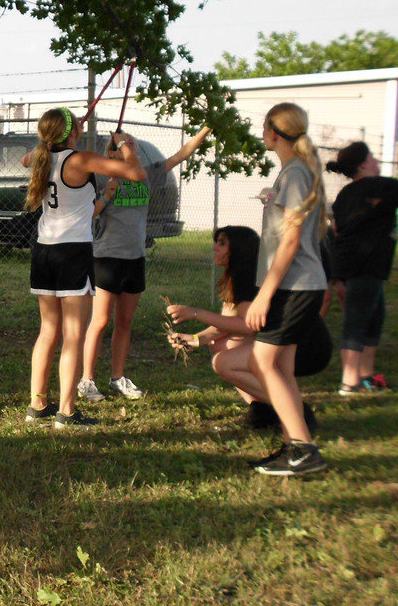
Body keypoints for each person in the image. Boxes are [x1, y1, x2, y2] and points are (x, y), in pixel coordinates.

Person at [21, 108, 145, 428]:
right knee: (73, 335)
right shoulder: (80, 160)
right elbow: (136, 173)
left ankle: (37, 404)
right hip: (72, 253)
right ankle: (66, 411)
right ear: (73, 131)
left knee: (49, 331)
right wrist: (124, 143)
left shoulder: (42, 157)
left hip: (44, 251)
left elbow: (27, 157)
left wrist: (62, 137)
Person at [79, 125, 212, 403]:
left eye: (132, 144)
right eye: (126, 144)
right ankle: (86, 380)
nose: (131, 147)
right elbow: (89, 212)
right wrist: (106, 196)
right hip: (106, 256)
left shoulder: (146, 173)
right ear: (113, 151)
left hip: (135, 257)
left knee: (125, 321)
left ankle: (118, 378)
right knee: (101, 321)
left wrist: (206, 129)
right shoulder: (102, 175)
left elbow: (181, 154)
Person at [164, 226, 324, 433]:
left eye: (222, 243)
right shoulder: (239, 273)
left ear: (239, 249)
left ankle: (296, 412)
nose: (214, 248)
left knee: (223, 363)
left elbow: (247, 325)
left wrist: (195, 313)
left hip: (307, 348)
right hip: (286, 341)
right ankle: (262, 411)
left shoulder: (247, 275)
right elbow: (227, 323)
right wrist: (195, 338)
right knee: (221, 345)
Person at [241, 103, 329, 476]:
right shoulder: (294, 173)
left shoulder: (294, 173)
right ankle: (297, 445)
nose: (263, 134)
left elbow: (290, 244)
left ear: (274, 133)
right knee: (281, 366)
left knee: (261, 362)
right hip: (298, 286)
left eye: (264, 128)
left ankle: (304, 450)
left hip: (294, 287)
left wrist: (264, 294)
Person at [325, 141, 398, 395]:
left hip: (353, 264)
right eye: (374, 158)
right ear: (364, 163)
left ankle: (367, 376)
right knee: (357, 321)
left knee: (374, 319)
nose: (378, 162)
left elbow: (337, 230)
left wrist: (337, 275)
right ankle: (348, 382)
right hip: (362, 264)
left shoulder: (346, 194)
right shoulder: (384, 187)